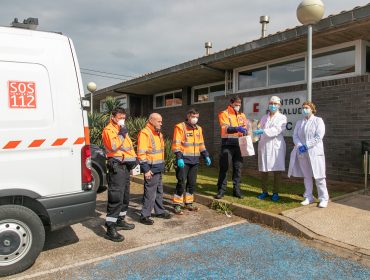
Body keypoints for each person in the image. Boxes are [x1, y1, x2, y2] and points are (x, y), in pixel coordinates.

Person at [102, 107, 136, 242]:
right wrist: (122, 133)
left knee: (125, 196)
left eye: (123, 117)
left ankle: (120, 220)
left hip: (125, 167)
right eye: (120, 117)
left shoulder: (122, 129)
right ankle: (110, 227)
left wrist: (135, 159)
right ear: (113, 117)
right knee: (116, 196)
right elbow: (114, 146)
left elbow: (128, 148)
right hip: (117, 166)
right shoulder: (109, 130)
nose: (122, 119)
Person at [288, 101, 329, 208]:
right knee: (307, 176)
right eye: (303, 108)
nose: (304, 109)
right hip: (302, 152)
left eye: (306, 107)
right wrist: (300, 145)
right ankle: (309, 197)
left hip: (315, 152)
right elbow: (295, 136)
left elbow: (319, 136)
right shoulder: (299, 122)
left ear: (312, 109)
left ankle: (323, 198)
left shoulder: (318, 120)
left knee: (319, 176)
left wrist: (307, 145)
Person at [172, 108, 212, 215]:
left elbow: (201, 144)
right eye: (193, 117)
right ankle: (177, 204)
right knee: (181, 182)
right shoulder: (180, 127)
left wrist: (206, 156)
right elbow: (176, 144)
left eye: (197, 117)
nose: (195, 119)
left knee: (192, 183)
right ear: (188, 116)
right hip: (183, 160)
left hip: (194, 161)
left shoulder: (199, 129)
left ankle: (188, 203)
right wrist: (179, 157)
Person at [137, 113, 172, 225]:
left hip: (158, 167)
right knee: (150, 193)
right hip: (151, 168)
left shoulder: (158, 133)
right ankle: (145, 215)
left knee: (158, 191)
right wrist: (146, 169)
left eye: (161, 121)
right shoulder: (145, 133)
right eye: (159, 121)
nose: (161, 123)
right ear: (151, 120)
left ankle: (159, 211)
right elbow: (141, 154)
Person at [215, 96, 251, 199]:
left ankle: (237, 190)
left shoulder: (242, 115)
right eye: (236, 104)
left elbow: (245, 128)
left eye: (239, 105)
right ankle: (221, 190)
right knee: (224, 168)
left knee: (238, 168)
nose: (238, 106)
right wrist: (237, 128)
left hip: (239, 145)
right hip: (227, 144)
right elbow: (225, 128)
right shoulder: (224, 114)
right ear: (231, 103)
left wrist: (248, 130)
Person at [253, 96, 287, 202]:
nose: (273, 105)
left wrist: (263, 131)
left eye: (275, 104)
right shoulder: (264, 117)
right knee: (264, 170)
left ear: (279, 105)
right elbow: (258, 129)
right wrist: (254, 134)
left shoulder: (282, 118)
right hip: (264, 146)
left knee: (277, 170)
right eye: (271, 103)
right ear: (268, 104)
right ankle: (264, 191)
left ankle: (275, 192)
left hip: (276, 146)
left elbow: (277, 130)